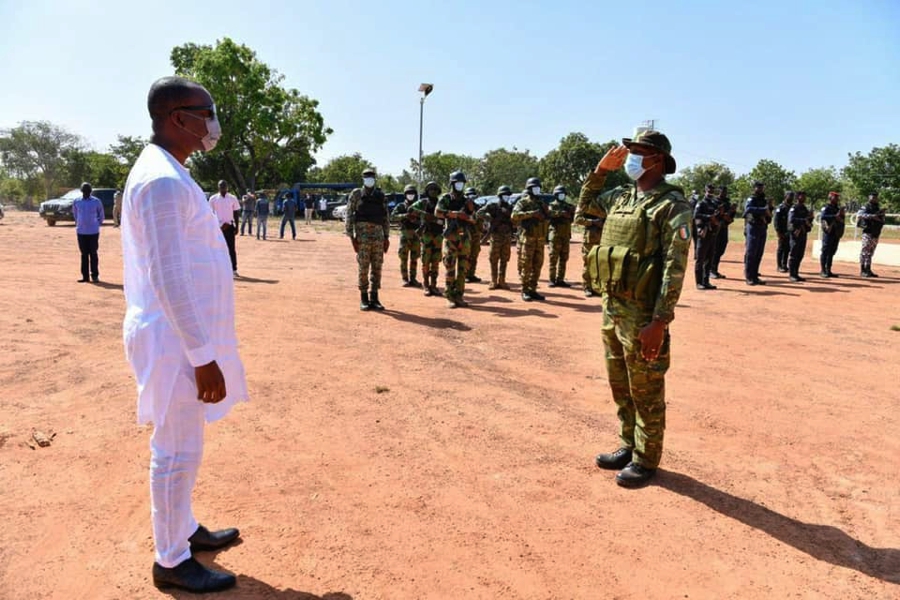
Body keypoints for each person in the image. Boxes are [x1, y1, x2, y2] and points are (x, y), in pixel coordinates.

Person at [121, 75, 245, 593]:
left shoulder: (171, 172)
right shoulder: (162, 181)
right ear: (178, 118)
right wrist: (202, 354)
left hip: (181, 339)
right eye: (206, 112)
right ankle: (171, 560)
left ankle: (185, 529)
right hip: (175, 342)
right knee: (174, 449)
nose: (212, 123)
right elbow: (169, 276)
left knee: (186, 444)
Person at [590, 130, 691, 488]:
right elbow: (583, 208)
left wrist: (660, 320)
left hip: (643, 313)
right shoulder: (620, 197)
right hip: (612, 306)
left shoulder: (671, 205)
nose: (630, 157)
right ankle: (628, 444)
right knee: (620, 383)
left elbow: (673, 266)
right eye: (629, 151)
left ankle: (647, 459)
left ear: (659, 160)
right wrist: (600, 171)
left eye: (639, 152)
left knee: (645, 389)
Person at [345, 168, 390, 310]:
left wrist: (387, 237)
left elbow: (385, 217)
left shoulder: (380, 195)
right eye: (366, 177)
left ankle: (374, 297)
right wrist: (351, 237)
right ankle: (364, 298)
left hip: (378, 237)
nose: (369, 179)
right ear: (363, 179)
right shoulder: (356, 194)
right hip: (362, 238)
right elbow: (349, 214)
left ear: (375, 178)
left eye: (371, 176)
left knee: (377, 267)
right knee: (363, 267)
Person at [436, 171, 476, 308]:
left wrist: (469, 215)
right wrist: (454, 214)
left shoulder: (467, 201)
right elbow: (438, 212)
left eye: (462, 183)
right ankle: (450, 296)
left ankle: (459, 295)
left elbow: (474, 219)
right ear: (452, 184)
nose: (460, 185)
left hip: (464, 238)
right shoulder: (446, 198)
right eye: (457, 183)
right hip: (450, 238)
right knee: (450, 267)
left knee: (463, 268)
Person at [511, 177, 549, 301]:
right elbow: (514, 216)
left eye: (538, 187)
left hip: (540, 239)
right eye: (534, 187)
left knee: (538, 265)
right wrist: (532, 214)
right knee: (526, 265)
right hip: (527, 239)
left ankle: (533, 289)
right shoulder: (523, 202)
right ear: (529, 189)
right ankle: (525, 290)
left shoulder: (542, 203)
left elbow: (548, 217)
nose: (537, 189)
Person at [476, 185, 515, 290]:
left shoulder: (511, 208)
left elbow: (515, 220)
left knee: (504, 258)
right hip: (495, 235)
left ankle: (502, 281)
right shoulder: (493, 206)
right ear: (500, 196)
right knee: (493, 258)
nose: (506, 197)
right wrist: (490, 218)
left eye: (508, 195)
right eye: (504, 195)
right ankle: (493, 280)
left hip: (507, 236)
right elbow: (479, 213)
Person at [575, 177, 608, 297]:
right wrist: (593, 222)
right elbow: (577, 219)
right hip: (590, 237)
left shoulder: (603, 201)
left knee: (600, 263)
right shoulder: (585, 203)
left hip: (603, 236)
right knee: (588, 263)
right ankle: (587, 287)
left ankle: (596, 287)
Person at [409, 181, 443, 296]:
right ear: (427, 191)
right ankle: (426, 285)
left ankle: (434, 285)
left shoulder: (441, 203)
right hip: (427, 235)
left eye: (435, 189)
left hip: (438, 235)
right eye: (430, 189)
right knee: (426, 261)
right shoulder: (423, 202)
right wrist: (425, 215)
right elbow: (411, 209)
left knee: (436, 261)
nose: (432, 191)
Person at [390, 184, 422, 287]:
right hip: (405, 233)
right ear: (405, 194)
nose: (410, 195)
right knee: (403, 257)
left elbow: (424, 217)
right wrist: (405, 216)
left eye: (412, 193)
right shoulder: (401, 206)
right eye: (408, 193)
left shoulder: (418, 206)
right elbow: (392, 217)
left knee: (414, 257)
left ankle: (413, 279)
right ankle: (405, 279)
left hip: (416, 234)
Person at [73, 182, 105, 283]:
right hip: (81, 232)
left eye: (88, 191)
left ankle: (95, 275)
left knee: (93, 253)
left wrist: (96, 224)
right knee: (84, 254)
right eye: (84, 191)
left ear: (90, 191)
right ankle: (85, 276)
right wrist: (79, 223)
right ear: (81, 191)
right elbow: (75, 214)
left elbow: (101, 215)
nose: (86, 192)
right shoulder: (77, 201)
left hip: (93, 232)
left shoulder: (96, 202)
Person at [208, 180, 241, 278]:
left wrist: (237, 227)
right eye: (221, 186)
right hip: (218, 228)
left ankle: (234, 269)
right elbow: (210, 213)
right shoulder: (213, 199)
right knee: (217, 248)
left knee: (231, 248)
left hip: (229, 226)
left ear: (227, 187)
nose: (223, 188)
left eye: (224, 186)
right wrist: (213, 226)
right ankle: (219, 269)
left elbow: (236, 213)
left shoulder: (232, 198)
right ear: (218, 187)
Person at [743, 180, 772, 285]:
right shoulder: (751, 199)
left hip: (762, 227)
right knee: (751, 252)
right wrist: (763, 210)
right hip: (753, 227)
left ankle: (755, 276)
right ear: (754, 188)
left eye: (762, 187)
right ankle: (749, 276)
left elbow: (768, 212)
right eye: (758, 187)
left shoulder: (763, 200)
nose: (760, 189)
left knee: (759, 253)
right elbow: (748, 209)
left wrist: (769, 210)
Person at [692, 184, 720, 290]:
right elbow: (696, 216)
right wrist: (709, 217)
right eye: (709, 191)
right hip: (703, 233)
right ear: (705, 191)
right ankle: (699, 282)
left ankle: (706, 281)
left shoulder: (713, 204)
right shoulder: (701, 203)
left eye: (712, 191)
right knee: (700, 259)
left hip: (712, 233)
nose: (710, 193)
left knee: (709, 258)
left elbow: (717, 217)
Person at [547, 185, 575, 287]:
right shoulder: (552, 205)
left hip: (565, 236)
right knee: (553, 257)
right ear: (556, 195)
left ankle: (560, 279)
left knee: (564, 258)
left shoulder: (569, 206)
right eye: (560, 194)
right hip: (555, 236)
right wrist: (561, 213)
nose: (562, 196)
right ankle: (552, 279)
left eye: (563, 194)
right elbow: (549, 213)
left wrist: (571, 213)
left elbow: (574, 216)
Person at [857, 192, 885, 278]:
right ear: (869, 198)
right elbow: (860, 215)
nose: (874, 198)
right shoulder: (865, 206)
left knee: (870, 252)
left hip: (875, 232)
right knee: (865, 251)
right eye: (872, 197)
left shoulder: (877, 207)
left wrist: (881, 216)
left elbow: (882, 219)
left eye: (875, 197)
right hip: (867, 231)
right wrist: (872, 216)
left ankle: (868, 269)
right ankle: (862, 270)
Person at [709, 186, 735, 279]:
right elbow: (713, 215)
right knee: (715, 249)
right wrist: (721, 214)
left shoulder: (727, 203)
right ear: (718, 191)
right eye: (722, 191)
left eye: (725, 191)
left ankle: (714, 269)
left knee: (721, 249)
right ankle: (711, 270)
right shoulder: (714, 202)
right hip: (716, 229)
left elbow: (731, 217)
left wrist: (731, 212)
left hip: (724, 228)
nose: (724, 193)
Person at [787, 190, 812, 282]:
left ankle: (796, 273)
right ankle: (792, 274)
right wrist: (803, 220)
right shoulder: (794, 208)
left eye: (805, 196)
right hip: (796, 233)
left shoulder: (804, 208)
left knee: (800, 254)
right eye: (802, 196)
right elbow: (792, 219)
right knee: (794, 254)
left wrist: (810, 217)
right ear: (797, 197)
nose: (804, 198)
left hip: (803, 233)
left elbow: (808, 220)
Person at [819, 191, 845, 278]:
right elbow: (823, 216)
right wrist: (834, 216)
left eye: (837, 197)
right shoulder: (826, 207)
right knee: (825, 251)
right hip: (828, 232)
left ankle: (828, 270)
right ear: (830, 198)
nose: (837, 199)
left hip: (835, 232)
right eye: (835, 197)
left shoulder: (837, 208)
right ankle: (823, 270)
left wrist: (841, 215)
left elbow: (841, 218)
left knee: (832, 252)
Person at [464, 186, 484, 283]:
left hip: (476, 234)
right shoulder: (463, 207)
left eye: (473, 195)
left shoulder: (477, 207)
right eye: (469, 195)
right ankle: (465, 274)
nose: (471, 197)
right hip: (466, 234)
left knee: (474, 254)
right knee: (467, 254)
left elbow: (480, 220)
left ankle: (471, 274)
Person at [773, 191, 794, 273]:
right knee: (781, 248)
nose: (791, 198)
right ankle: (779, 266)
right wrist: (778, 231)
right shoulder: (780, 207)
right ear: (785, 196)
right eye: (790, 196)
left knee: (787, 248)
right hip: (782, 231)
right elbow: (776, 221)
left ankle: (784, 264)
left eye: (792, 196)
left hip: (789, 231)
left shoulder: (792, 207)